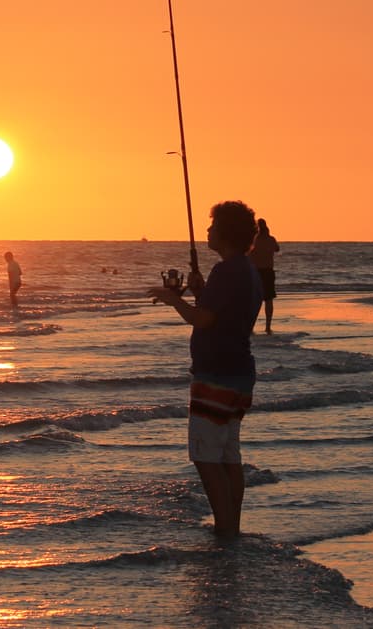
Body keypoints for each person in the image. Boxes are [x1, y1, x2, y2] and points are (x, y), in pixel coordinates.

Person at [148, 200, 262, 538]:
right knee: (228, 455)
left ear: (224, 232)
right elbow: (221, 312)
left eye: (212, 226)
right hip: (239, 372)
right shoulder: (246, 270)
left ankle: (225, 529)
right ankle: (231, 526)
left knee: (206, 456)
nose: (208, 231)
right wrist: (201, 292)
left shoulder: (226, 271)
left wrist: (174, 300)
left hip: (217, 373)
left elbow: (203, 319)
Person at [248, 218, 280, 333]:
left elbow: (248, 254)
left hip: (256, 272)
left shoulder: (254, 240)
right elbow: (277, 249)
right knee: (268, 299)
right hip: (268, 271)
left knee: (254, 300)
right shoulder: (271, 239)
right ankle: (267, 326)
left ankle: (251, 326)